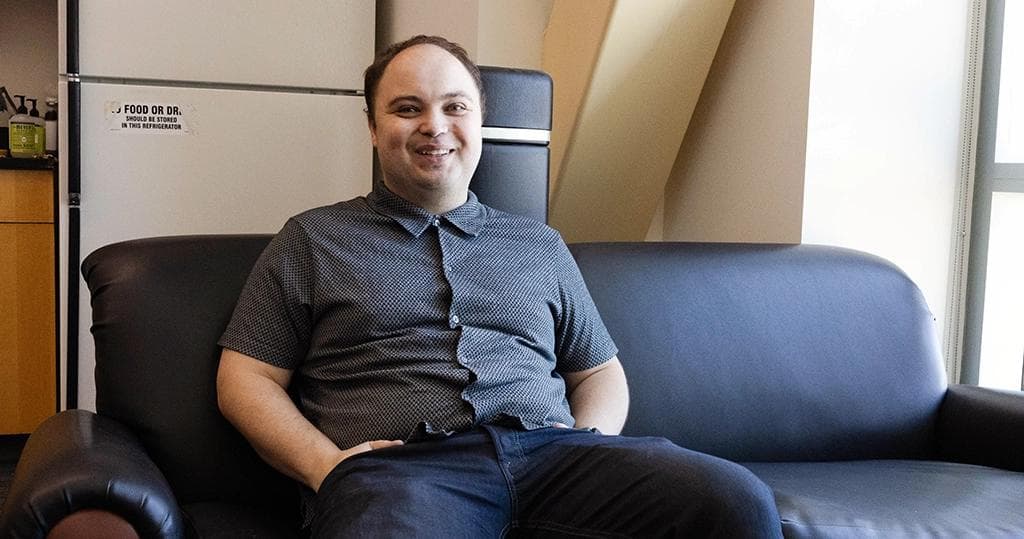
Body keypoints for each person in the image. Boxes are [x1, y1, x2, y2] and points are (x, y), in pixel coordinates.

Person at [217, 34, 782, 538]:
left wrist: (588, 437)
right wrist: (325, 466)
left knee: (733, 500)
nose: (433, 126)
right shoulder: (313, 239)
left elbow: (600, 370)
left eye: (453, 107)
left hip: (555, 457)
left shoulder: (539, 245)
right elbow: (246, 377)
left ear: (479, 119)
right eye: (406, 108)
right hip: (402, 472)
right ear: (372, 126)